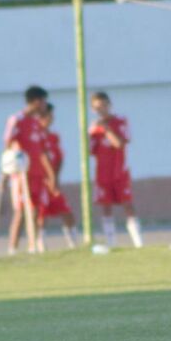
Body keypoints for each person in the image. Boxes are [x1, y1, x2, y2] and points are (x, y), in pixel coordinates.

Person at [2, 85, 56, 254]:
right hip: (21, 174)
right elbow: (8, 145)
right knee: (20, 210)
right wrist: (5, 174)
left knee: (36, 211)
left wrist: (51, 175)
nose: (44, 105)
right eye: (43, 101)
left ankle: (33, 246)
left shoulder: (36, 123)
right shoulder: (16, 119)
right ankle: (13, 249)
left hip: (38, 173)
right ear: (35, 101)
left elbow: (42, 151)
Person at [88, 91, 143, 248]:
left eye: (103, 106)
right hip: (102, 173)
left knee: (127, 204)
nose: (101, 110)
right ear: (93, 109)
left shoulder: (120, 121)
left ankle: (138, 243)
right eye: (97, 108)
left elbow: (119, 143)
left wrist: (106, 129)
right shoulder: (94, 128)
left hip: (119, 172)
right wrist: (90, 134)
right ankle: (111, 243)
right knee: (106, 207)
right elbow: (91, 151)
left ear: (109, 105)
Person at [37, 103, 78, 249]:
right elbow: (41, 156)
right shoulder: (36, 136)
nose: (50, 118)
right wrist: (50, 176)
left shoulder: (53, 137)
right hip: (40, 181)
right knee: (42, 213)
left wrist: (56, 177)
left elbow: (59, 158)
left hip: (53, 180)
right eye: (47, 115)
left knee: (65, 210)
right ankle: (40, 244)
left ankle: (73, 242)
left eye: (50, 115)